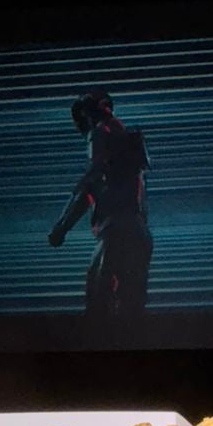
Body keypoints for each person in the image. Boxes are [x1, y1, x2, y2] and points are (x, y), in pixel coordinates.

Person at [48, 89, 153, 324]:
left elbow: (92, 184)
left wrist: (62, 228)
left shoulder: (100, 134)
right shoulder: (128, 143)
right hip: (138, 234)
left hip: (116, 234)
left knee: (98, 314)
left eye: (80, 119)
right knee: (132, 314)